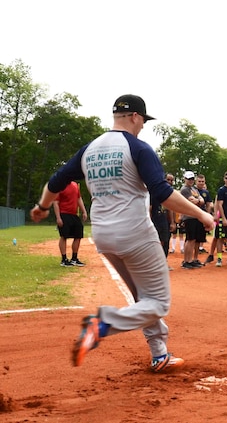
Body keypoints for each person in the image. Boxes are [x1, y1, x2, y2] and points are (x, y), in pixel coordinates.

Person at [31, 94, 214, 372]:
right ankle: (103, 324)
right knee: (158, 303)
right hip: (135, 233)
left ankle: (159, 353)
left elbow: (56, 182)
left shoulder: (89, 149)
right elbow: (162, 193)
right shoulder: (138, 147)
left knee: (143, 298)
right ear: (135, 117)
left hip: (103, 235)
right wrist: (201, 213)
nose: (142, 127)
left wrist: (42, 206)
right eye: (143, 121)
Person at [53, 180, 89, 267]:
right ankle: (64, 259)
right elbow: (55, 202)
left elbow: (78, 198)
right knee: (64, 236)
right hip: (64, 214)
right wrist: (58, 218)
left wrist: (84, 211)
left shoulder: (75, 185)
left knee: (78, 235)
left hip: (74, 214)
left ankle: (74, 259)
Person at [179, 171, 207, 269]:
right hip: (189, 216)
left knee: (194, 239)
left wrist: (198, 201)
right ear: (185, 179)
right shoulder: (185, 189)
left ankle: (190, 260)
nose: (190, 181)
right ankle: (186, 260)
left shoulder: (194, 189)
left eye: (191, 179)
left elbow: (201, 200)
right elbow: (193, 201)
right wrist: (198, 201)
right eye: (188, 179)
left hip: (195, 216)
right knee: (190, 239)